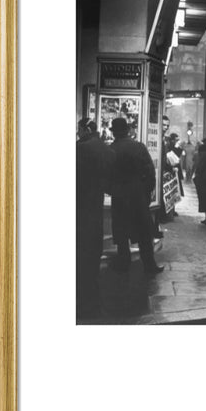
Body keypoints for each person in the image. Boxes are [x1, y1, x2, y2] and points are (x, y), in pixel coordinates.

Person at [109, 117, 164, 276]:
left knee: (121, 231)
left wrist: (113, 190)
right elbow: (150, 172)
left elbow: (107, 175)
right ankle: (149, 265)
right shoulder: (138, 147)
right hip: (137, 194)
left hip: (119, 195)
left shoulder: (112, 149)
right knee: (143, 232)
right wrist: (146, 193)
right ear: (127, 131)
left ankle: (123, 262)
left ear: (114, 133)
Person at [76, 118, 114, 318]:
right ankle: (91, 277)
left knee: (81, 242)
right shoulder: (106, 149)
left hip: (80, 202)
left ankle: (83, 287)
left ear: (84, 129)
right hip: (96, 202)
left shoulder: (81, 149)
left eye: (78, 130)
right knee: (93, 242)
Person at [166, 132, 184, 215]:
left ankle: (173, 209)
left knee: (175, 190)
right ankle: (170, 210)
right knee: (170, 191)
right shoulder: (169, 147)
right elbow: (173, 157)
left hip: (176, 170)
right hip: (171, 170)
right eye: (176, 140)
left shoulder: (175, 146)